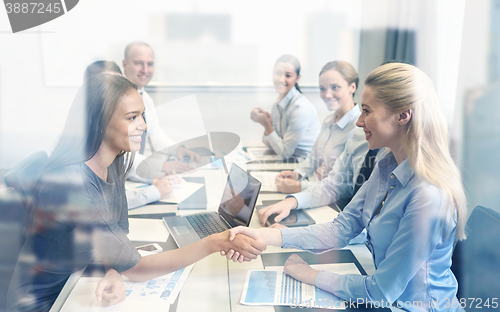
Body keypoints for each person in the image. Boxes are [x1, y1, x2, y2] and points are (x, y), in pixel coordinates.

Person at [7, 74, 265, 312]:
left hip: (76, 282)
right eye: (132, 117)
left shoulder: (115, 161)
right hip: (48, 303)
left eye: (142, 116)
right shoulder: (74, 183)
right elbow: (138, 269)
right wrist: (215, 242)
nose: (142, 125)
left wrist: (112, 271)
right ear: (99, 123)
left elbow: (117, 233)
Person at [226, 63, 467, 310]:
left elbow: (379, 292)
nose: (359, 121)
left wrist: (310, 275)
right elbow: (342, 228)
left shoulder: (428, 197)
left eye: (366, 111)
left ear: (403, 116)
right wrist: (265, 236)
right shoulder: (386, 164)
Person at [83, 59, 175, 209]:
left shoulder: (113, 159)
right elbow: (103, 206)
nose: (143, 126)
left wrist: (160, 171)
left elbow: (129, 165)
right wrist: (152, 192)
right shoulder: (82, 169)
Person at [122, 41, 201, 207]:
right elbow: (122, 156)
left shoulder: (145, 98)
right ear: (125, 64)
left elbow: (156, 136)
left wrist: (178, 149)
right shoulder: (119, 100)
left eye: (149, 64)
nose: (145, 70)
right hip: (124, 182)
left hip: (132, 182)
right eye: (138, 63)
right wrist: (162, 167)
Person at [275, 61, 360, 194]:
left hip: (337, 205)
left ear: (352, 87)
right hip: (315, 192)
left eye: (335, 87)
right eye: (322, 89)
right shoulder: (329, 121)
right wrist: (297, 174)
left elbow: (353, 186)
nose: (327, 94)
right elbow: (313, 158)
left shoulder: (359, 129)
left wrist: (300, 187)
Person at [250, 55, 320, 159]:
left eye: (288, 75)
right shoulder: (278, 103)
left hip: (302, 165)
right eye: (278, 73)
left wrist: (267, 125)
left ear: (298, 78)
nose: (282, 79)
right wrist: (268, 125)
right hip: (289, 161)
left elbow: (285, 153)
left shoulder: (300, 109)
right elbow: (269, 144)